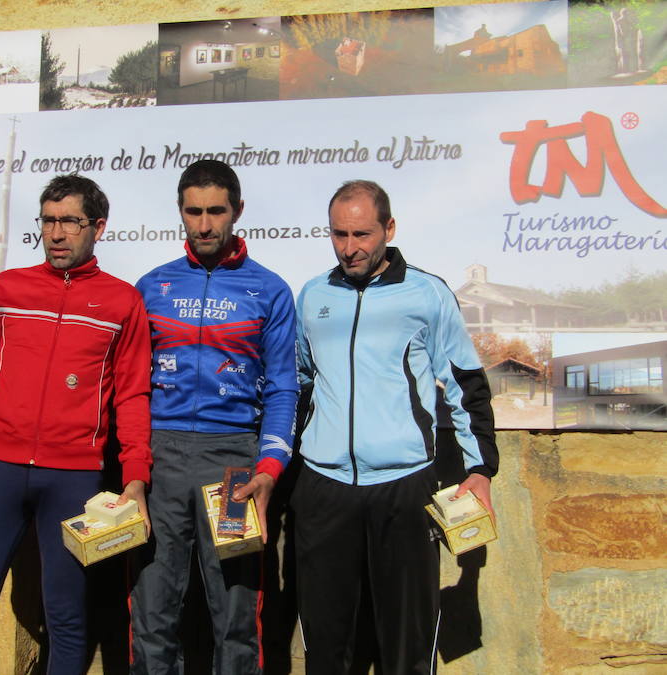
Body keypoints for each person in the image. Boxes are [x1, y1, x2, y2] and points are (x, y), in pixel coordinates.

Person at [0, 174, 152, 674]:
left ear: (98, 226)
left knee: (68, 620)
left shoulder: (123, 303)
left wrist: (136, 477)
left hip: (74, 479)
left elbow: (135, 399)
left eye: (70, 222)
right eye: (48, 221)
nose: (56, 234)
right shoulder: (7, 289)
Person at [293, 180, 498, 674]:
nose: (349, 248)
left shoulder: (426, 293)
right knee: (326, 644)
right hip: (324, 488)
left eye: (361, 234)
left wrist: (480, 469)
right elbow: (301, 385)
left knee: (407, 642)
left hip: (404, 486)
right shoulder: (314, 294)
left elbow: (466, 384)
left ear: (389, 228)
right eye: (338, 235)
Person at [131, 160, 298, 674]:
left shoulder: (269, 290)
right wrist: (135, 467)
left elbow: (285, 390)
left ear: (238, 212)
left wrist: (268, 470)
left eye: (216, 212)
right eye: (193, 212)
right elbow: (131, 389)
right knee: (152, 613)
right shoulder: (152, 287)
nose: (204, 225)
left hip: (234, 467)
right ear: (180, 212)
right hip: (162, 462)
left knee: (236, 618)